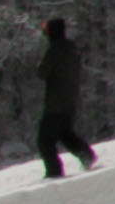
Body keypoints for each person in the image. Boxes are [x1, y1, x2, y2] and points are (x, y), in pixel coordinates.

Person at [36, 15, 99, 180]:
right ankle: (87, 155)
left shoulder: (54, 50)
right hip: (70, 102)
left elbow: (41, 73)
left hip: (54, 104)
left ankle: (54, 172)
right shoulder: (72, 49)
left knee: (45, 140)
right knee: (65, 133)